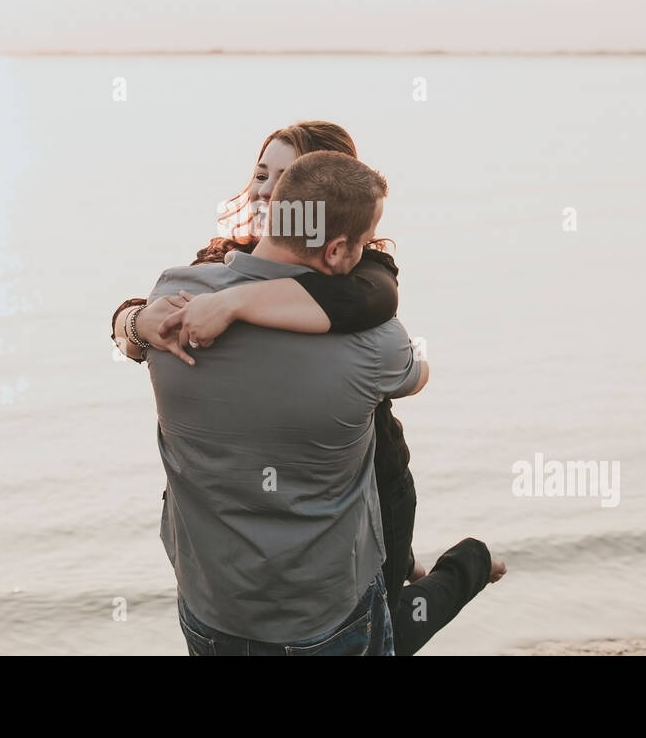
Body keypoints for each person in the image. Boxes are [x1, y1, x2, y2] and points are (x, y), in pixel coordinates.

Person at [111, 122, 505, 654]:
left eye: (286, 177)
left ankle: (454, 567)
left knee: (380, 599)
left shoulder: (356, 287)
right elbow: (412, 366)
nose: (267, 191)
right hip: (272, 568)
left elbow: (374, 300)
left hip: (354, 500)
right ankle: (459, 567)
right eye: (261, 173)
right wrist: (134, 322)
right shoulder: (196, 282)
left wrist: (232, 304)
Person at [142, 150, 419, 653]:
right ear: (337, 251)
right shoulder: (376, 342)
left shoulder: (172, 298)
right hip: (325, 611)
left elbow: (135, 326)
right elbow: (415, 376)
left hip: (210, 604)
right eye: (361, 247)